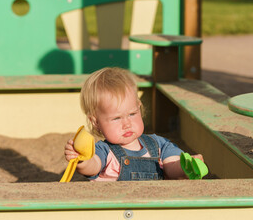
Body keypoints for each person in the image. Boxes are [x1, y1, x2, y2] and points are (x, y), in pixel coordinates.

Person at [64, 67, 204, 181]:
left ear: (139, 107)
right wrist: (82, 160)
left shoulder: (159, 145)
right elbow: (93, 166)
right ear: (96, 123)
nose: (127, 124)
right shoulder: (104, 151)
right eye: (116, 118)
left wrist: (186, 166)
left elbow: (172, 167)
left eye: (132, 114)